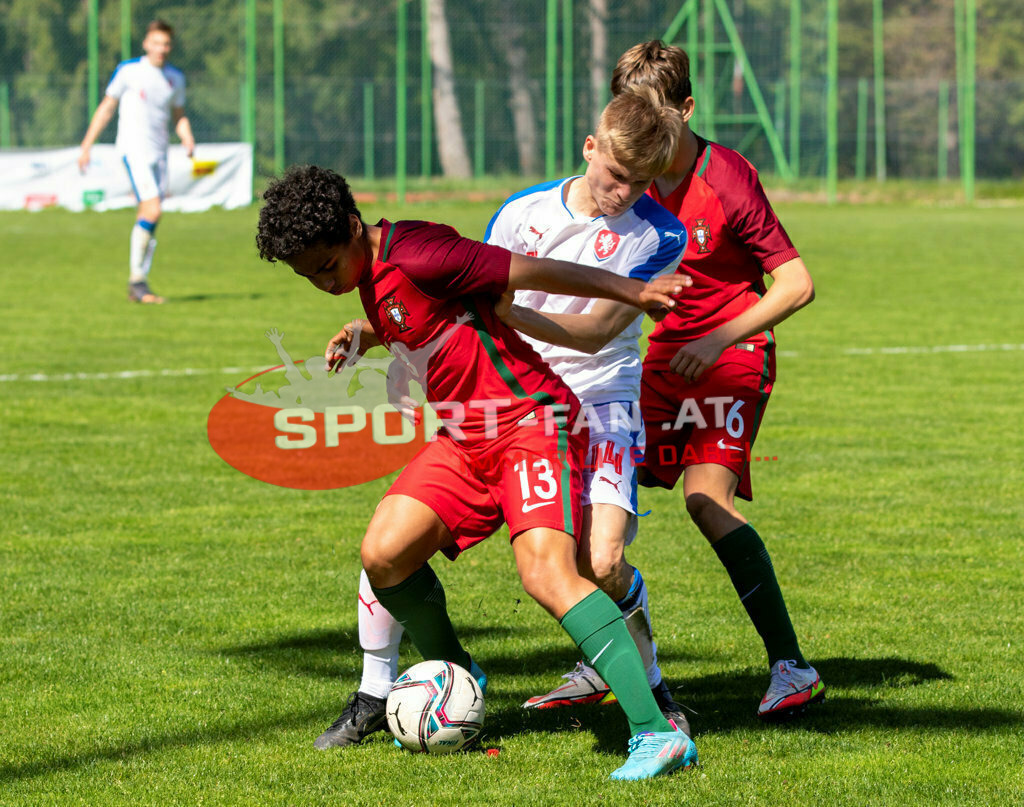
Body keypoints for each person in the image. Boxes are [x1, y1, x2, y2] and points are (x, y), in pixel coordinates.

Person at [256, 164, 697, 780]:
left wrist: (631, 292)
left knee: (548, 575)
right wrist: (365, 330)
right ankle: (457, 679)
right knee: (384, 552)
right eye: (311, 278)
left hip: (529, 424)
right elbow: (423, 319)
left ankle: (656, 733)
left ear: (354, 227)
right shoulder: (371, 266)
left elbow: (531, 270)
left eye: (328, 266)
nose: (326, 283)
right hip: (467, 440)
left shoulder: (424, 252)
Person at [611, 40, 824, 721]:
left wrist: (718, 335)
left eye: (655, 122)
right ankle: (601, 658)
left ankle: (792, 665)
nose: (641, 140)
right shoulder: (629, 176)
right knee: (600, 487)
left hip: (732, 354)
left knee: (707, 500)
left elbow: (797, 283)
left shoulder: (725, 175)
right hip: (666, 359)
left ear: (688, 109)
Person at [488, 89, 691, 730]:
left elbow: (596, 331)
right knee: (568, 568)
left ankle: (654, 692)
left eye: (640, 183)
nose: (624, 193)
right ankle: (605, 667)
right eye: (615, 175)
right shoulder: (522, 213)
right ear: (590, 147)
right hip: (532, 403)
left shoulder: (662, 234)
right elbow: (470, 286)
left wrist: (504, 308)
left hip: (605, 401)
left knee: (602, 561)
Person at [78, 19, 195, 304]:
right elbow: (107, 107)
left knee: (149, 215)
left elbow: (178, 113)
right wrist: (87, 144)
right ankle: (137, 280)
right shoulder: (129, 71)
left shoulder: (174, 78)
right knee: (153, 211)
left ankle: (138, 284)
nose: (161, 48)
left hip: (160, 154)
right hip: (134, 150)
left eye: (166, 43)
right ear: (146, 43)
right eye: (156, 42)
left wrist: (187, 137)